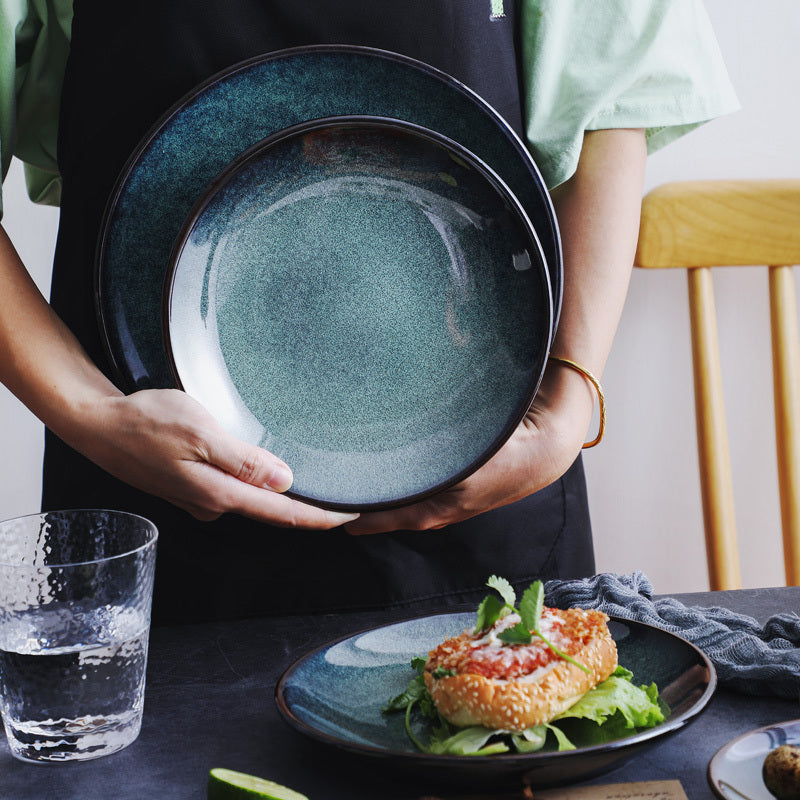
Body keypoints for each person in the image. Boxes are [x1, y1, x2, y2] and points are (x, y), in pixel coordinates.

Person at [0, 1, 737, 623]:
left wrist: (563, 411)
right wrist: (92, 414)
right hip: (145, 477)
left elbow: (613, 96)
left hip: (478, 491)